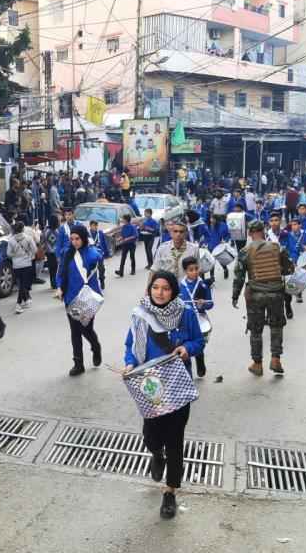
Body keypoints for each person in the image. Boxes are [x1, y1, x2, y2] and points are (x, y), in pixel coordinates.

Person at [124, 270, 204, 519]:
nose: (160, 292)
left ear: (173, 291)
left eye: (165, 288)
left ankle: (170, 492)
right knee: (151, 436)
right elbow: (130, 344)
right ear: (150, 289)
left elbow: (199, 341)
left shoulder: (186, 313)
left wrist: (186, 348)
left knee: (175, 440)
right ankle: (156, 454)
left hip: (178, 384)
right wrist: (129, 363)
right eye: (155, 287)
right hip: (150, 385)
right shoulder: (140, 314)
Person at [232, 220, 294, 377]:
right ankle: (275, 359)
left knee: (256, 329)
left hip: (256, 294)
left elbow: (239, 276)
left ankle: (257, 364)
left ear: (249, 233)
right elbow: (289, 269)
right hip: (276, 293)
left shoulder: (245, 251)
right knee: (276, 326)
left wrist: (235, 295)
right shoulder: (276, 247)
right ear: (264, 231)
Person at [57, 224, 102, 376]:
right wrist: (59, 287)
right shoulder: (67, 254)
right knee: (75, 331)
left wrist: (94, 251)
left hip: (88, 298)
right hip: (71, 297)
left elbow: (101, 255)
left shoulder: (92, 254)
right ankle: (78, 363)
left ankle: (95, 347)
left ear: (83, 238)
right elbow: (61, 273)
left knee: (86, 329)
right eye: (72, 239)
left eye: (77, 239)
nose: (74, 242)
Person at [179, 256, 213, 378]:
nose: (194, 272)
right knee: (184, 343)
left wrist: (204, 303)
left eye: (196, 269)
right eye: (190, 270)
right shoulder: (180, 286)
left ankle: (200, 363)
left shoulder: (203, 285)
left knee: (198, 343)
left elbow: (211, 303)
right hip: (184, 320)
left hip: (199, 318)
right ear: (185, 271)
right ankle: (187, 371)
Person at [6, 221, 37, 314]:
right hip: (27, 263)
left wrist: (16, 255)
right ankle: (18, 303)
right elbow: (34, 249)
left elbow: (8, 254)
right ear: (23, 229)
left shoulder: (11, 240)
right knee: (23, 284)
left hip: (16, 265)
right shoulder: (28, 238)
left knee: (20, 283)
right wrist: (29, 255)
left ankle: (26, 299)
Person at [206, 215, 232, 280]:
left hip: (218, 246)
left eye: (213, 219)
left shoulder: (222, 225)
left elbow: (228, 234)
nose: (211, 221)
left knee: (221, 260)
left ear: (216, 219)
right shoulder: (208, 226)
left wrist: (225, 240)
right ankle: (212, 277)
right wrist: (204, 243)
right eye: (211, 219)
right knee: (211, 262)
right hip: (210, 246)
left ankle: (225, 269)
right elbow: (205, 235)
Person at [88, 219, 111, 289]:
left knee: (101, 268)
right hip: (91, 254)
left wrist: (107, 253)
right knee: (91, 269)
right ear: (90, 226)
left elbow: (104, 242)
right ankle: (91, 283)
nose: (94, 227)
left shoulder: (100, 233)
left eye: (95, 226)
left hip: (99, 253)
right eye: (92, 226)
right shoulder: (87, 233)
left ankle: (102, 280)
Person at [115, 213, 138, 277]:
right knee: (123, 258)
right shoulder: (124, 227)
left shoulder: (132, 227)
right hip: (125, 244)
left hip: (132, 244)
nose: (122, 220)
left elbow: (135, 235)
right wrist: (119, 239)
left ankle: (133, 270)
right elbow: (122, 235)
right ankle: (121, 272)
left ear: (126, 220)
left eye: (123, 219)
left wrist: (127, 238)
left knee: (132, 257)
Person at [42, 215, 60, 289]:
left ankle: (52, 283)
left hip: (49, 252)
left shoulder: (45, 231)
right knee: (57, 268)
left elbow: (42, 241)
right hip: (57, 252)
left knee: (51, 268)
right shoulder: (59, 230)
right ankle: (57, 283)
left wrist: (44, 249)